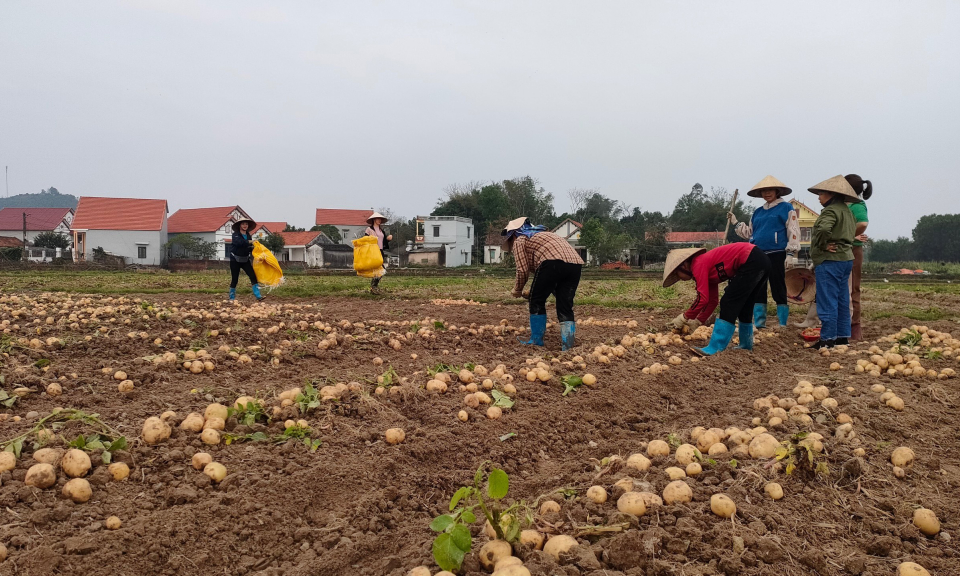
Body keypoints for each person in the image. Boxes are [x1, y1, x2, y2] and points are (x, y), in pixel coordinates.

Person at [663, 242, 770, 356]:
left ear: (683, 266)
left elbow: (702, 298)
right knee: (745, 305)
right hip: (761, 260)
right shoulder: (705, 265)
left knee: (728, 302)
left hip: (751, 259)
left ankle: (715, 347)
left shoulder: (698, 264)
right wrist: (698, 321)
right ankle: (745, 344)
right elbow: (712, 301)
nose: (680, 279)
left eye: (678, 275)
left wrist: (684, 317)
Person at [727, 175, 800, 329]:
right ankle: (760, 322)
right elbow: (749, 233)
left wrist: (791, 253)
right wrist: (735, 222)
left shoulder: (786, 208)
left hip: (777, 252)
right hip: (757, 254)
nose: (767, 193)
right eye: (764, 191)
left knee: (778, 286)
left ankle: (782, 323)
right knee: (758, 287)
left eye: (770, 190)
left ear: (777, 191)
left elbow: (793, 231)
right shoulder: (757, 212)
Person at [502, 216, 584, 351]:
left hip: (551, 263)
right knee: (565, 304)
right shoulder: (545, 234)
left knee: (536, 301)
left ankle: (536, 340)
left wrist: (517, 290)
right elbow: (552, 274)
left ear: (513, 235)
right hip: (575, 264)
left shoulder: (521, 239)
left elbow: (522, 270)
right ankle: (568, 345)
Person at [808, 175, 858, 349]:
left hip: (830, 260)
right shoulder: (847, 211)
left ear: (831, 194)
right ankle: (842, 337)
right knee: (842, 299)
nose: (819, 197)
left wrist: (822, 245)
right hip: (846, 259)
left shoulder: (830, 211)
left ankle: (827, 339)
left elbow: (822, 228)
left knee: (827, 299)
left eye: (821, 193)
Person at [845, 174, 872, 341]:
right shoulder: (842, 205)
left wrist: (848, 236)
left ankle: (855, 327)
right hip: (842, 249)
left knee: (853, 288)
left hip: (853, 250)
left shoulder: (857, 205)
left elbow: (862, 224)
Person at [229, 218, 264, 302]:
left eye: (246, 224)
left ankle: (258, 295)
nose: (245, 226)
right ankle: (232, 297)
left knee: (253, 276)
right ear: (240, 226)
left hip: (245, 259)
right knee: (235, 279)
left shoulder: (248, 235)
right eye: (243, 224)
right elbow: (239, 243)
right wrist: (250, 242)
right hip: (235, 260)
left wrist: (254, 248)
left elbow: (247, 247)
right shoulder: (235, 235)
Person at [364, 212, 392, 294]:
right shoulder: (369, 230)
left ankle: (373, 287)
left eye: (380, 219)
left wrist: (388, 239)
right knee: (381, 269)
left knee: (380, 270)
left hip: (380, 251)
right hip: (373, 251)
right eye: (377, 219)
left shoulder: (381, 231)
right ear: (374, 220)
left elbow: (383, 242)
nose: (379, 220)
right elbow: (365, 240)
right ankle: (374, 287)